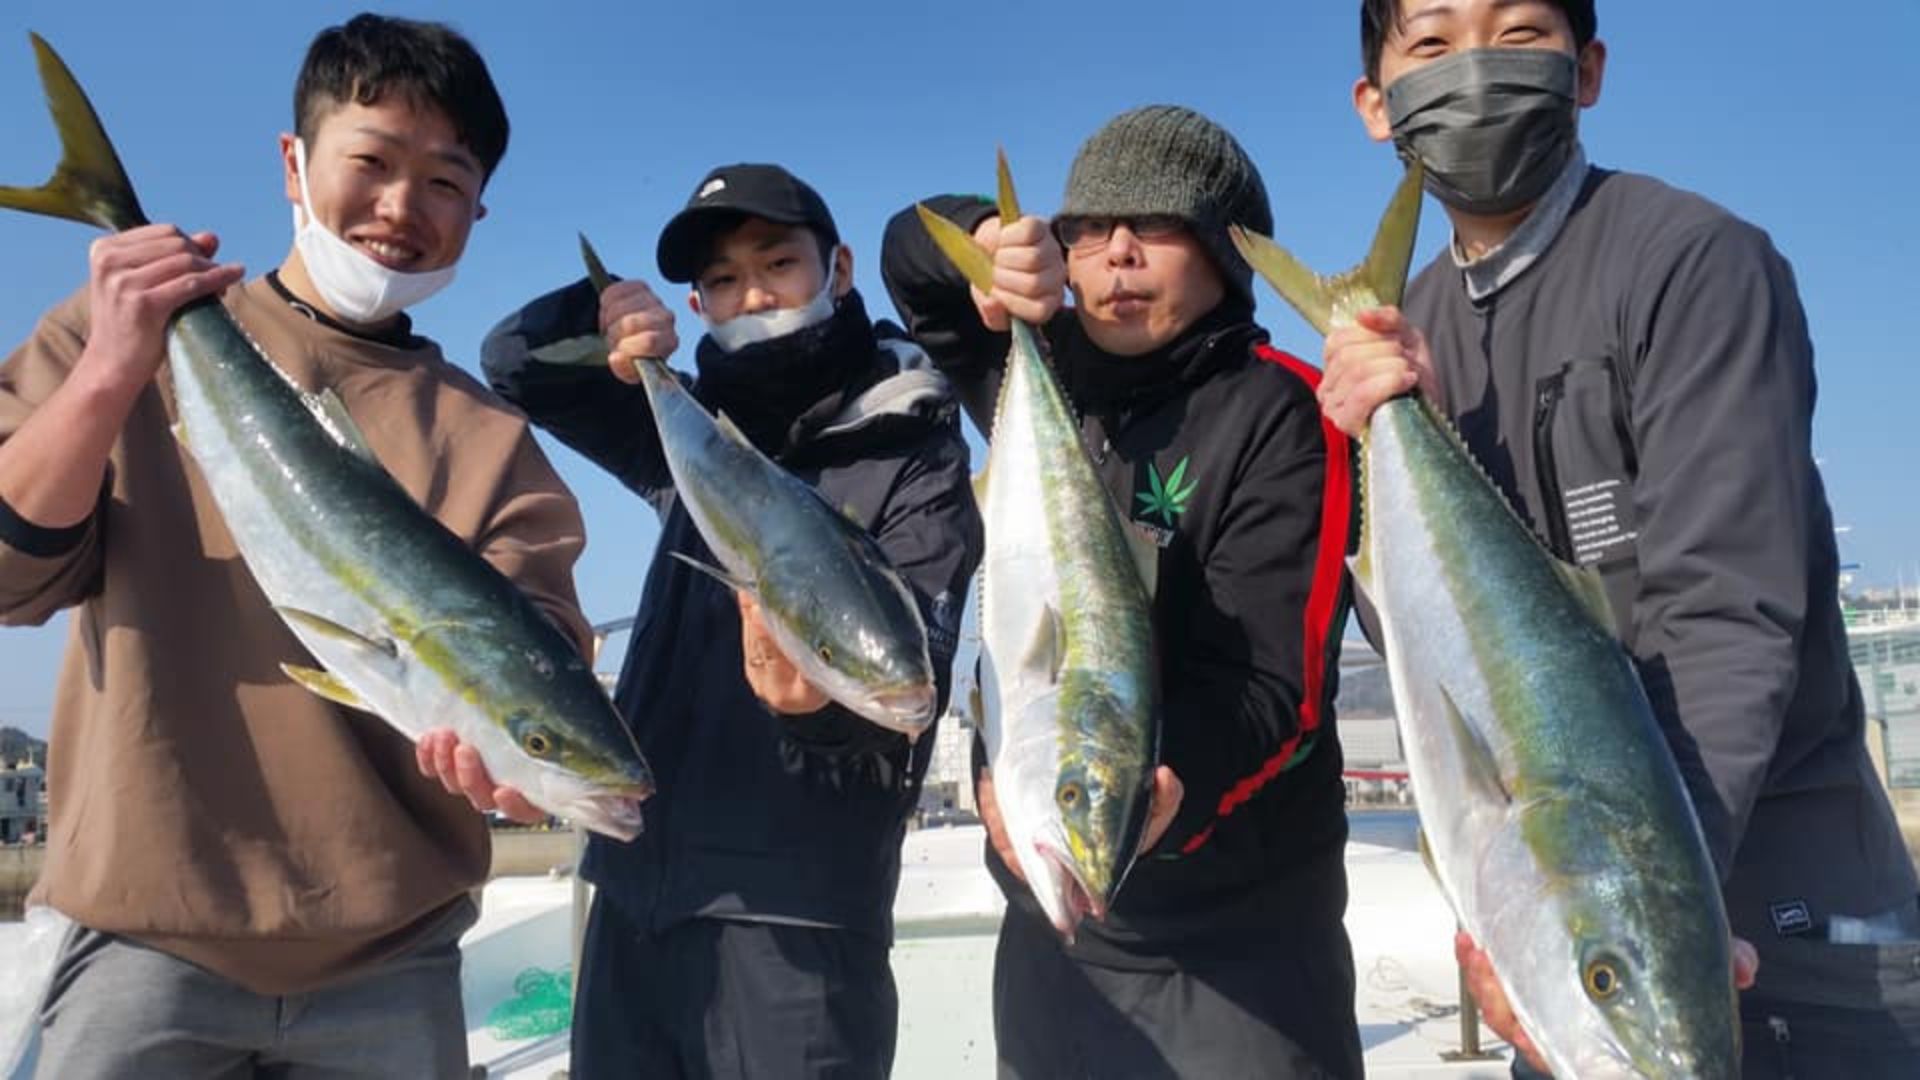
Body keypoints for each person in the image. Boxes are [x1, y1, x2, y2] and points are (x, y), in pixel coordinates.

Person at [1323, 2, 1920, 1075]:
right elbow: (1425, 642)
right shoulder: (1406, 325)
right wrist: (1373, 445)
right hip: (1567, 945)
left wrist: (1633, 914)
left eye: (1518, 35)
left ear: (1587, 70)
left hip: (1788, 926)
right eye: (1432, 43)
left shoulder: (1694, 265)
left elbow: (1729, 614)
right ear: (1376, 103)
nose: (1475, 71)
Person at [0, 13, 589, 1078]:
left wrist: (516, 762)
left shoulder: (487, 432)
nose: (403, 207)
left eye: (446, 182)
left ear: (479, 210)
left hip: (393, 960)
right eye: (371, 160)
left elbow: (538, 637)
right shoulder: (118, 327)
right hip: (141, 938)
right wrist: (107, 372)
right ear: (292, 161)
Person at [432, 162, 983, 1079]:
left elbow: (908, 687)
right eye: (723, 281)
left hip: (798, 922)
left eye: (778, 263)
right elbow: (511, 362)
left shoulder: (911, 445)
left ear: (839, 269)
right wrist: (598, 309)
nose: (753, 293)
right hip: (636, 894)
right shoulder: (683, 425)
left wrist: (817, 712)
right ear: (699, 303)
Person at [882, 105, 1362, 1078]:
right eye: (1090, 230)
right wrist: (989, 244)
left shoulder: (1286, 411)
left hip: (1238, 952)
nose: (1118, 256)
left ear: (1228, 255)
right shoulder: (1039, 367)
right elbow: (908, 259)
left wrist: (1172, 777)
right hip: (1053, 944)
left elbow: (1275, 681)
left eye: (1159, 227)